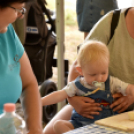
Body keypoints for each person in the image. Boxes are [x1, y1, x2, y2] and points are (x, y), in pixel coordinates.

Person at [43, 7, 134, 134]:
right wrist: (74, 100)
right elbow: (77, 67)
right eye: (93, 74)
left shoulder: (113, 83)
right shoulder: (114, 21)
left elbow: (130, 89)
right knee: (50, 131)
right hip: (83, 113)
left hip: (116, 115)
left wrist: (132, 97)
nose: (100, 78)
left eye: (103, 73)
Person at [0, 0, 43, 134]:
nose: (21, 15)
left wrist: (34, 129)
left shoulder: (7, 32)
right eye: (18, 9)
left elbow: (29, 84)